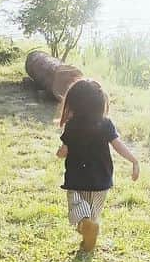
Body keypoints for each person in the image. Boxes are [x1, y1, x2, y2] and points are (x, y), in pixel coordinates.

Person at [56, 78, 139, 252]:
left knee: (79, 208)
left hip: (77, 179)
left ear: (75, 104)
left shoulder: (72, 126)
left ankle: (85, 228)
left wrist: (59, 153)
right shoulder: (105, 123)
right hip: (101, 180)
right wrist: (133, 160)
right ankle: (88, 236)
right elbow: (118, 146)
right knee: (93, 214)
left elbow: (65, 150)